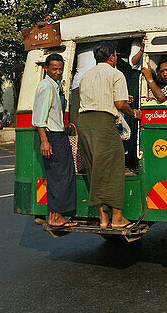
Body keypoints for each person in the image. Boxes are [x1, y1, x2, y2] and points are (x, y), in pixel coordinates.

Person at [77, 42, 139, 229]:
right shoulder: (116, 74)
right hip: (103, 123)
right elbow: (120, 104)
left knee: (95, 168)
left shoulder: (86, 76)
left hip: (84, 122)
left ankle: (103, 218)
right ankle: (117, 218)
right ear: (112, 57)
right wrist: (134, 112)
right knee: (114, 165)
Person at [32, 53, 77, 228]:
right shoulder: (47, 87)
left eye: (60, 69)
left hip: (58, 135)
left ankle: (55, 215)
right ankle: (56, 217)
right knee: (60, 176)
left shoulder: (55, 85)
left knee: (58, 176)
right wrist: (44, 141)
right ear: (46, 68)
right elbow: (39, 118)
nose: (58, 72)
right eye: (54, 69)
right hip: (53, 137)